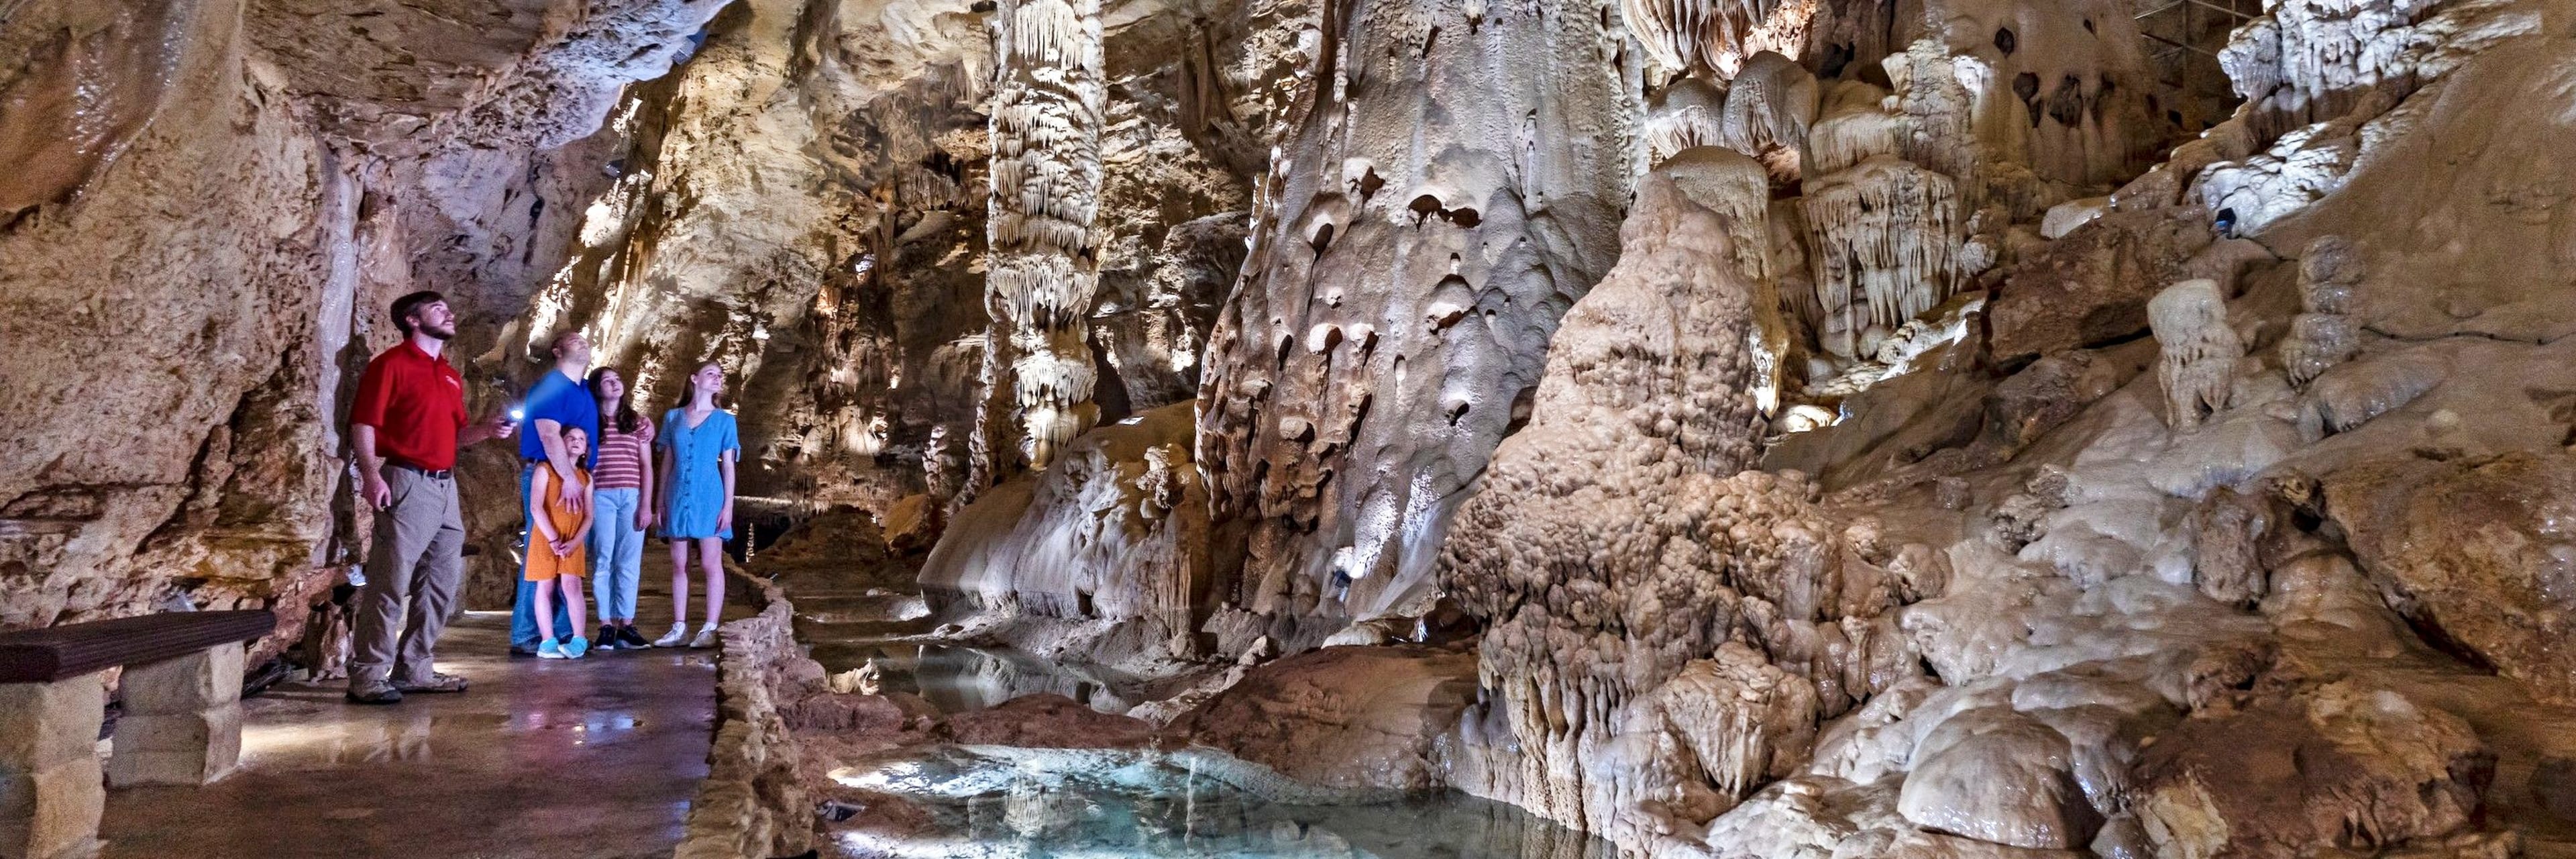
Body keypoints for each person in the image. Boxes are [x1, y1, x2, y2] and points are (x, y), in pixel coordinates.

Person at [346, 291, 516, 705]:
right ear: (413, 319)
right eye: (438, 308)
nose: (449, 312)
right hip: (406, 479)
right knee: (391, 579)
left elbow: (456, 436)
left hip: (445, 485)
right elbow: (364, 422)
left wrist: (488, 432)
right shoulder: (391, 365)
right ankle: (368, 673)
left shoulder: (449, 375)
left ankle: (414, 667)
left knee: (440, 581)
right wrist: (371, 474)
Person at [511, 330, 599, 656]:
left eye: (585, 340)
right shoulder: (552, 386)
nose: (583, 342)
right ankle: (528, 634)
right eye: (574, 340)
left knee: (569, 557)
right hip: (552, 476)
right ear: (557, 350)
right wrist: (569, 478)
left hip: (575, 475)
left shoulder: (583, 390)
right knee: (542, 557)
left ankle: (564, 633)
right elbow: (549, 434)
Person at [654, 362, 739, 649]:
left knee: (710, 562)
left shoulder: (725, 421)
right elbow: (667, 462)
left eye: (719, 375)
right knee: (679, 564)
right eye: (711, 374)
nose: (717, 379)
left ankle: (710, 626)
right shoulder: (673, 417)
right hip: (678, 495)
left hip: (709, 496)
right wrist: (660, 500)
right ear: (694, 379)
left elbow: (729, 466)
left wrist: (728, 506)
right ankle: (679, 627)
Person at [586, 367, 655, 650]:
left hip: (632, 496)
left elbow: (646, 466)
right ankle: (605, 625)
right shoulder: (590, 422)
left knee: (628, 561)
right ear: (597, 389)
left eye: (617, 380)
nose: (614, 384)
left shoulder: (637, 423)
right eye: (607, 381)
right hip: (600, 494)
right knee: (603, 559)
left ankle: (626, 624)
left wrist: (646, 505)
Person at [526, 427, 594, 659]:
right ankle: (547, 641)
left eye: (581, 439)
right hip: (546, 537)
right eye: (571, 438)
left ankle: (579, 638)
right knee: (544, 587)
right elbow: (536, 507)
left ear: (586, 448)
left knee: (572, 587)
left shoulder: (586, 478)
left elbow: (589, 516)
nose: (576, 442)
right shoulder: (544, 470)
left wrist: (576, 541)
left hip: (572, 539)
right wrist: (553, 539)